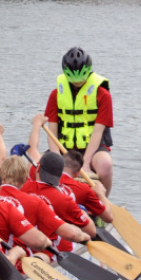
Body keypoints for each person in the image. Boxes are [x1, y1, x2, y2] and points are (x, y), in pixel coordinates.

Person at [44, 47, 114, 193]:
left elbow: (97, 132)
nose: (77, 85)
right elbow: (52, 132)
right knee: (39, 166)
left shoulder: (102, 95)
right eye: (73, 82)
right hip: (65, 147)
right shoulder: (56, 95)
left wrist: (86, 163)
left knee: (106, 165)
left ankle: (103, 203)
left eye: (80, 82)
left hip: (93, 148)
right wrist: (56, 159)